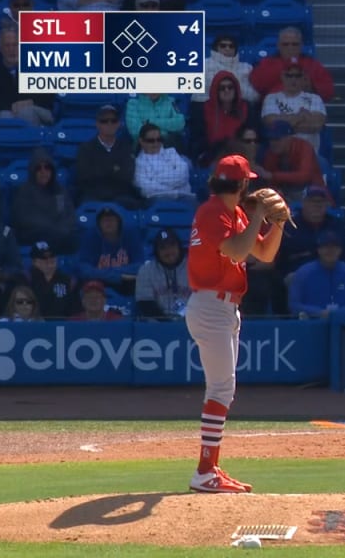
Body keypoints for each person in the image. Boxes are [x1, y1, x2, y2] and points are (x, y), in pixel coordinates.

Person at [185, 154, 284, 493]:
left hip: (225, 308)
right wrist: (258, 215)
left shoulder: (235, 212)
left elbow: (265, 255)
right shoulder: (212, 212)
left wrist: (277, 224)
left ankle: (210, 467)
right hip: (210, 305)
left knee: (223, 389)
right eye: (247, 182)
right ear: (242, 184)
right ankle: (204, 471)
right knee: (221, 389)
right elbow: (240, 252)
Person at [135, 228, 190, 320]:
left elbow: (203, 300)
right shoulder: (146, 270)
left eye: (172, 246)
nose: (169, 251)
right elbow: (145, 304)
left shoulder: (193, 268)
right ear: (157, 252)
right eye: (163, 248)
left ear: (179, 247)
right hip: (157, 326)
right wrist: (166, 322)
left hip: (190, 323)